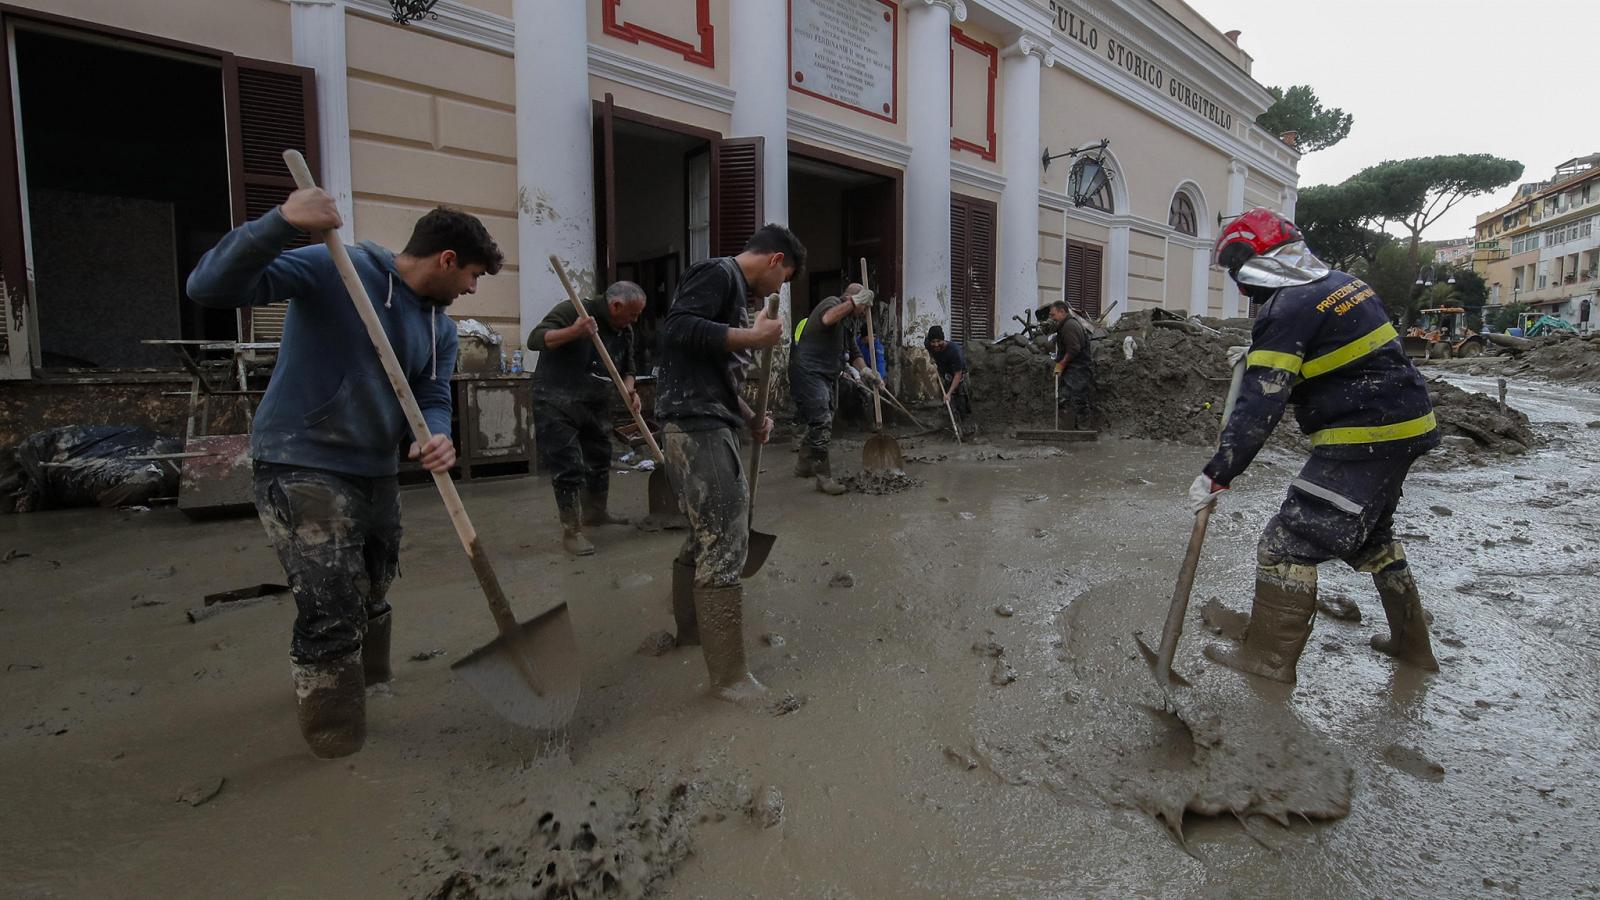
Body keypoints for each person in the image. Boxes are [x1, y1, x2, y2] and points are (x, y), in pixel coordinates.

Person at [187, 191, 502, 757]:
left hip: (374, 468)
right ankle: (336, 742)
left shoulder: (441, 329)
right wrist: (281, 224)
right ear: (447, 260)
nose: (472, 291)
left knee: (374, 582)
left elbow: (430, 393)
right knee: (331, 601)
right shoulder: (337, 266)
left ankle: (369, 684)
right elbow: (209, 288)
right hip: (302, 458)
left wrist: (436, 432)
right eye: (473, 276)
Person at [1192, 207, 1441, 685]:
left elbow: (1259, 407)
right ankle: (1412, 648)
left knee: (1287, 544)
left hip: (1363, 436)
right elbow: (1338, 348)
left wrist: (1218, 472)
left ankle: (1268, 659)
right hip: (1406, 425)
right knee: (1375, 540)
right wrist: (1258, 353)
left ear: (1249, 264)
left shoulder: (1286, 310)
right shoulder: (1346, 284)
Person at [656, 223, 801, 702]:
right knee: (724, 536)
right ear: (775, 259)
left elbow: (714, 372)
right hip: (694, 423)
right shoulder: (717, 273)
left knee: (704, 532)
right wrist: (752, 336)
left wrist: (749, 417)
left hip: (708, 416)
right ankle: (730, 679)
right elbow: (676, 329)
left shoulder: (733, 289)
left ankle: (691, 634)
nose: (779, 290)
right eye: (784, 279)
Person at [526, 281, 646, 556]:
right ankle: (572, 531)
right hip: (556, 400)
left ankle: (596, 513)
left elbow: (628, 368)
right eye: (633, 314)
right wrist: (575, 331)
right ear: (615, 305)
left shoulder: (624, 330)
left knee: (599, 458)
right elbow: (535, 339)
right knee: (568, 465)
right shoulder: (575, 310)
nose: (635, 320)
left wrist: (629, 389)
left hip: (594, 401)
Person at [789, 282, 880, 494]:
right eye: (863, 307)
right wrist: (854, 302)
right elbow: (828, 318)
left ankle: (803, 464)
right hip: (809, 371)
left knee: (823, 419)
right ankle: (824, 478)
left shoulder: (847, 322)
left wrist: (866, 371)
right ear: (853, 299)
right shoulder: (832, 304)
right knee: (822, 422)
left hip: (828, 374)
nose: (863, 312)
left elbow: (854, 352)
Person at [1048, 301, 1095, 430]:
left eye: (1053, 315)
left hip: (1078, 369)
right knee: (1071, 397)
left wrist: (1062, 364)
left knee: (1074, 397)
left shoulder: (1069, 326)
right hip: (1073, 368)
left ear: (1062, 312)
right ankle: (1072, 428)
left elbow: (1074, 349)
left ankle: (1081, 430)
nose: (1051, 318)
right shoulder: (1065, 325)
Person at [923, 326, 974, 436]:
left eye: (938, 341)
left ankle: (966, 428)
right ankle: (954, 427)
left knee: (962, 404)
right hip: (946, 376)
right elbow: (927, 344)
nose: (936, 344)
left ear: (943, 340)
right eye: (933, 342)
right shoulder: (928, 344)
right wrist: (931, 357)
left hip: (960, 378)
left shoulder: (955, 351)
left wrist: (949, 393)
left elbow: (957, 374)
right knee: (950, 404)